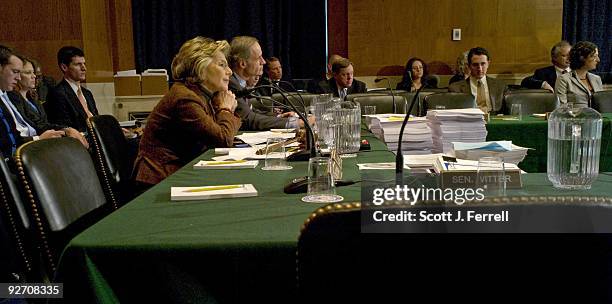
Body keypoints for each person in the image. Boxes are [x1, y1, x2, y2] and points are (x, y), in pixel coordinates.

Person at [133, 37, 242, 187]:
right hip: (159, 181)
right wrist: (225, 109)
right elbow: (223, 140)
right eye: (222, 65)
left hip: (178, 173)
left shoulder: (200, 95)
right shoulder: (184, 98)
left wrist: (222, 110)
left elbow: (225, 131)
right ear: (200, 67)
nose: (229, 71)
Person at [8, 56, 87, 147]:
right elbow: (37, 127)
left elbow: (44, 124)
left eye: (33, 72)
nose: (34, 76)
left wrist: (66, 129)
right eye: (28, 73)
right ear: (17, 76)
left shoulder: (33, 99)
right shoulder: (13, 99)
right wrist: (64, 131)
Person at [228, 36, 303, 130]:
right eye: (258, 58)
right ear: (243, 64)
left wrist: (278, 117)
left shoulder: (238, 82)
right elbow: (249, 119)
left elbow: (252, 111)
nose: (263, 62)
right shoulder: (230, 83)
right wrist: (294, 123)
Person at [45, 46, 99, 133]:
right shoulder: (57, 94)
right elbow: (64, 127)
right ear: (64, 67)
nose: (84, 68)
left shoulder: (87, 93)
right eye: (78, 64)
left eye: (84, 64)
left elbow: (97, 121)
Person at [449, 47, 507, 114]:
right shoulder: (456, 88)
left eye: (483, 64)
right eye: (475, 65)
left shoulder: (500, 86)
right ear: (469, 66)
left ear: (488, 64)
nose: (480, 68)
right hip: (469, 121)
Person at [555, 41, 603, 107]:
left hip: (597, 116)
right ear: (582, 58)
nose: (598, 60)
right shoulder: (564, 79)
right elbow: (562, 108)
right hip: (575, 116)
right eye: (594, 56)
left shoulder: (597, 79)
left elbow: (602, 105)